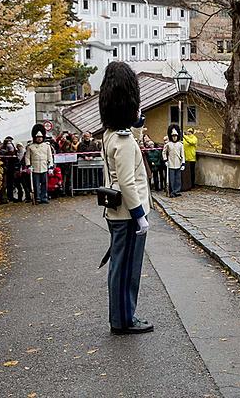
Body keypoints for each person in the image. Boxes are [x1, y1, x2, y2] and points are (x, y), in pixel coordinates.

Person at [98, 61, 153, 335]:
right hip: (128, 213)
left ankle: (122, 316)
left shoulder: (110, 135)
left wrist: (137, 124)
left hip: (115, 211)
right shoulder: (123, 141)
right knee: (126, 270)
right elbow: (128, 183)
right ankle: (124, 320)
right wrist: (140, 215)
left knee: (121, 266)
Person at [25, 125, 55, 204]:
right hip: (35, 167)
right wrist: (28, 166)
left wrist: (51, 167)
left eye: (41, 137)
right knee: (36, 184)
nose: (39, 138)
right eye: (38, 137)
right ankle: (37, 197)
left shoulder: (47, 146)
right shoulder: (30, 147)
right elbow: (27, 157)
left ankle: (44, 197)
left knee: (44, 183)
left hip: (44, 166)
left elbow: (50, 157)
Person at [163, 125, 185, 198]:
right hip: (171, 163)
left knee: (178, 179)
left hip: (178, 163)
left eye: (175, 136)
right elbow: (164, 152)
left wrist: (183, 164)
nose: (174, 137)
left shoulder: (180, 144)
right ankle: (172, 191)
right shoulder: (168, 144)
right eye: (173, 136)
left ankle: (177, 191)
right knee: (171, 179)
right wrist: (165, 160)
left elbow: (182, 155)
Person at [0, 137, 18, 204]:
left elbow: (14, 158)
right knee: (3, 185)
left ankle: (9, 197)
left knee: (10, 184)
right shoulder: (2, 151)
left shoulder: (12, 151)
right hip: (4, 169)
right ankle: (3, 198)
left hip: (10, 169)